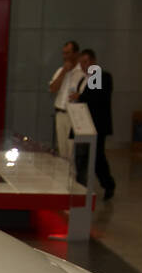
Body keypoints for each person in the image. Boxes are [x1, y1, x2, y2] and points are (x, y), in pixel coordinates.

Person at [68, 48, 116, 200]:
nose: (83, 65)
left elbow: (96, 98)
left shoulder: (103, 76)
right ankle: (81, 187)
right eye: (81, 62)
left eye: (86, 62)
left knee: (97, 157)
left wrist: (80, 96)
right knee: (81, 158)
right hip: (83, 125)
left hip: (97, 126)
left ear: (93, 61)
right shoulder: (83, 79)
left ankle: (108, 184)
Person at [48, 40, 84, 157]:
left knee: (72, 149)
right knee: (62, 150)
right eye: (64, 53)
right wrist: (64, 71)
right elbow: (53, 88)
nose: (65, 57)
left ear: (76, 54)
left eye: (68, 53)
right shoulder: (60, 70)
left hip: (74, 115)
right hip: (60, 113)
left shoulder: (82, 73)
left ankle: (73, 174)